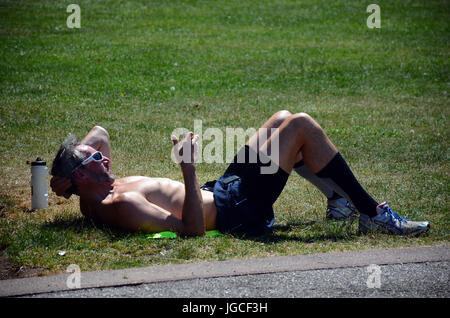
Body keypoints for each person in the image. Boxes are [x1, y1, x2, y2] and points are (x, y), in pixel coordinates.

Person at [50, 110, 429, 237]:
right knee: (300, 126)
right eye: (94, 160)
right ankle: (372, 214)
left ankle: (338, 201)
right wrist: (188, 168)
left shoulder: (95, 184)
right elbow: (192, 230)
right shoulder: (120, 202)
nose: (104, 157)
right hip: (238, 210)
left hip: (227, 188)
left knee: (281, 118)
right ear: (84, 177)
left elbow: (99, 132)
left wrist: (62, 177)